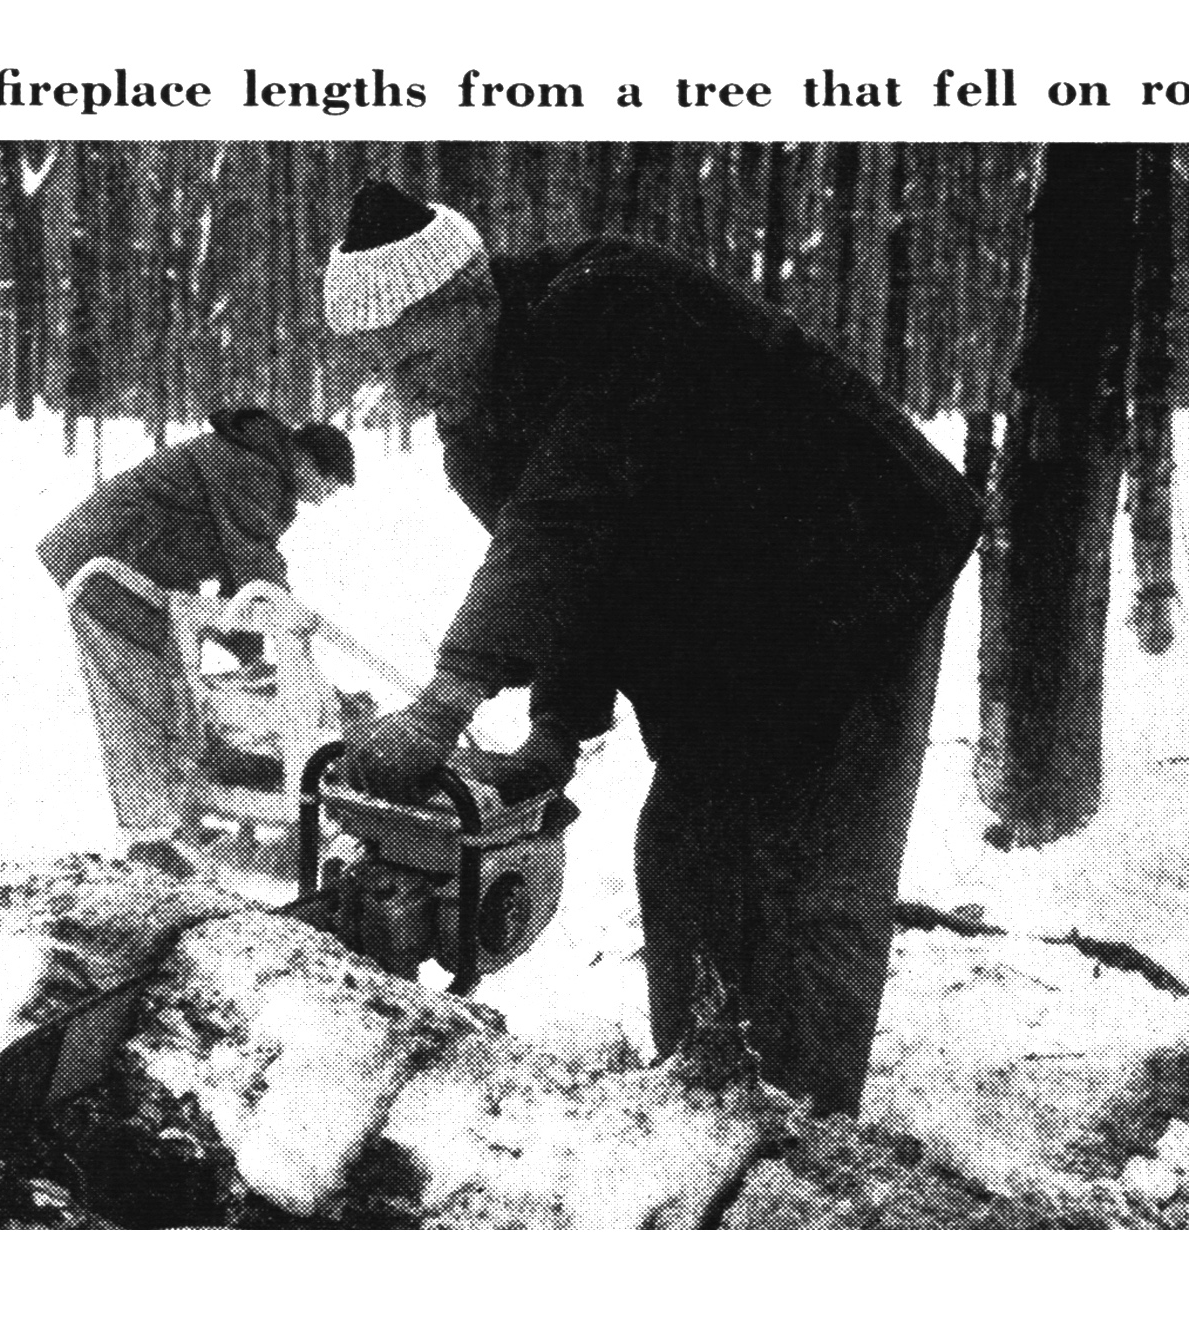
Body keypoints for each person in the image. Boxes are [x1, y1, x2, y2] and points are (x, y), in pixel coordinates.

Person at [325, 181, 982, 1118]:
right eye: (387, 370)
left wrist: (445, 703)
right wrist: (556, 728)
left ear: (474, 298)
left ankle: (807, 1144)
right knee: (686, 854)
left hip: (859, 572)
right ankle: (700, 1107)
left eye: (418, 353)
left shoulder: (616, 304)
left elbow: (570, 511)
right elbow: (575, 586)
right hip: (727, 618)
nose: (408, 388)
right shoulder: (474, 445)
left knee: (813, 877)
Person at [38, 409, 354, 853]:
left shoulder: (253, 461)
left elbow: (237, 570)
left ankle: (175, 820)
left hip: (134, 568)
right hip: (106, 568)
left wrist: (250, 651)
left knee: (173, 693)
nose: (322, 500)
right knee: (142, 698)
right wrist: (286, 628)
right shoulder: (251, 467)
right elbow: (255, 567)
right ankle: (151, 836)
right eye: (327, 487)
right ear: (307, 462)